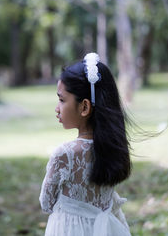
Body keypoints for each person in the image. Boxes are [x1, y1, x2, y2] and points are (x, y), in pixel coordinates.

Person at [39, 53, 132, 236]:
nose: (57, 108)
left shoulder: (64, 154)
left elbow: (46, 203)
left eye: (62, 100)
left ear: (84, 107)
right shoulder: (111, 148)